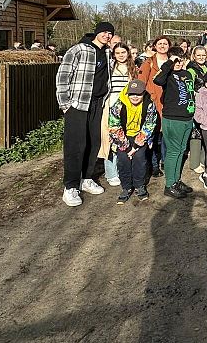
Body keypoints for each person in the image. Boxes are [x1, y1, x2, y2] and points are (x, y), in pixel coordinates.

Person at [55, 21, 114, 207]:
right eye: (104, 32)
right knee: (75, 145)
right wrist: (65, 104)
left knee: (93, 142)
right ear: (97, 32)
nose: (107, 35)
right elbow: (63, 76)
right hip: (78, 104)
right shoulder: (79, 49)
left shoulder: (106, 52)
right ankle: (70, 186)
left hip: (97, 103)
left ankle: (87, 178)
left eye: (110, 33)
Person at [153, 47, 196, 199]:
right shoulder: (167, 75)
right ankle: (169, 184)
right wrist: (169, 62)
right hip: (173, 119)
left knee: (181, 150)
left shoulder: (187, 74)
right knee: (173, 151)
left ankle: (176, 181)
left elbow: (191, 94)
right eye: (175, 60)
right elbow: (157, 80)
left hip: (187, 118)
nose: (178, 62)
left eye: (180, 59)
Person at [108, 78, 158, 203]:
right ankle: (126, 187)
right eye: (132, 94)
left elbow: (149, 125)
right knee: (123, 159)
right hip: (122, 136)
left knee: (140, 158)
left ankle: (139, 185)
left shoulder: (149, 104)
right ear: (128, 93)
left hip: (140, 136)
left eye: (139, 94)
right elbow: (114, 127)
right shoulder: (118, 105)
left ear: (143, 93)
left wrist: (135, 146)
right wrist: (127, 147)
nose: (135, 97)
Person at [99, 42, 138, 187]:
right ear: (114, 55)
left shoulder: (132, 68)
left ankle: (124, 170)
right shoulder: (110, 67)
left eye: (123, 52)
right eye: (118, 53)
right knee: (110, 140)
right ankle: (111, 173)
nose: (121, 55)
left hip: (127, 106)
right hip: (111, 106)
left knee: (125, 139)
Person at [137, 35, 171, 177]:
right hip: (153, 103)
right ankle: (154, 165)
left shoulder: (173, 61)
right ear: (155, 46)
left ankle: (165, 160)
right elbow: (140, 83)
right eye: (160, 43)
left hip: (169, 103)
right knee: (154, 135)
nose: (163, 46)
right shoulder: (148, 63)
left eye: (165, 43)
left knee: (166, 135)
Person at [186, 45, 207, 174]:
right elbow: (189, 88)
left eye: (203, 55)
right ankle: (194, 163)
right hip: (197, 104)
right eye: (199, 55)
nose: (201, 57)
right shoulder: (191, 70)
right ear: (194, 56)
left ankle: (203, 159)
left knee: (205, 131)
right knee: (195, 133)